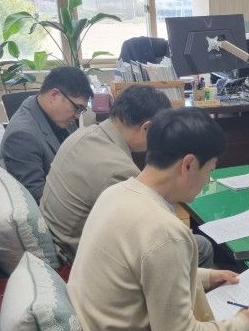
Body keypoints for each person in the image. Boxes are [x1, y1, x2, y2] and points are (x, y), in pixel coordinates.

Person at [67, 107, 249, 331]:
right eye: (209, 171)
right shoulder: (164, 232)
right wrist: (242, 327)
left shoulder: (116, 193)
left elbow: (140, 272)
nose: (207, 181)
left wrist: (205, 276)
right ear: (188, 165)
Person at [42, 85, 212, 266]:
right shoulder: (120, 172)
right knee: (201, 246)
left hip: (56, 239)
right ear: (147, 128)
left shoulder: (82, 135)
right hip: (76, 259)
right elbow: (155, 235)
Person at [2, 67, 93, 202]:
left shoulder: (53, 112)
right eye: (77, 108)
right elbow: (38, 197)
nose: (77, 116)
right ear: (54, 95)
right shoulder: (21, 137)